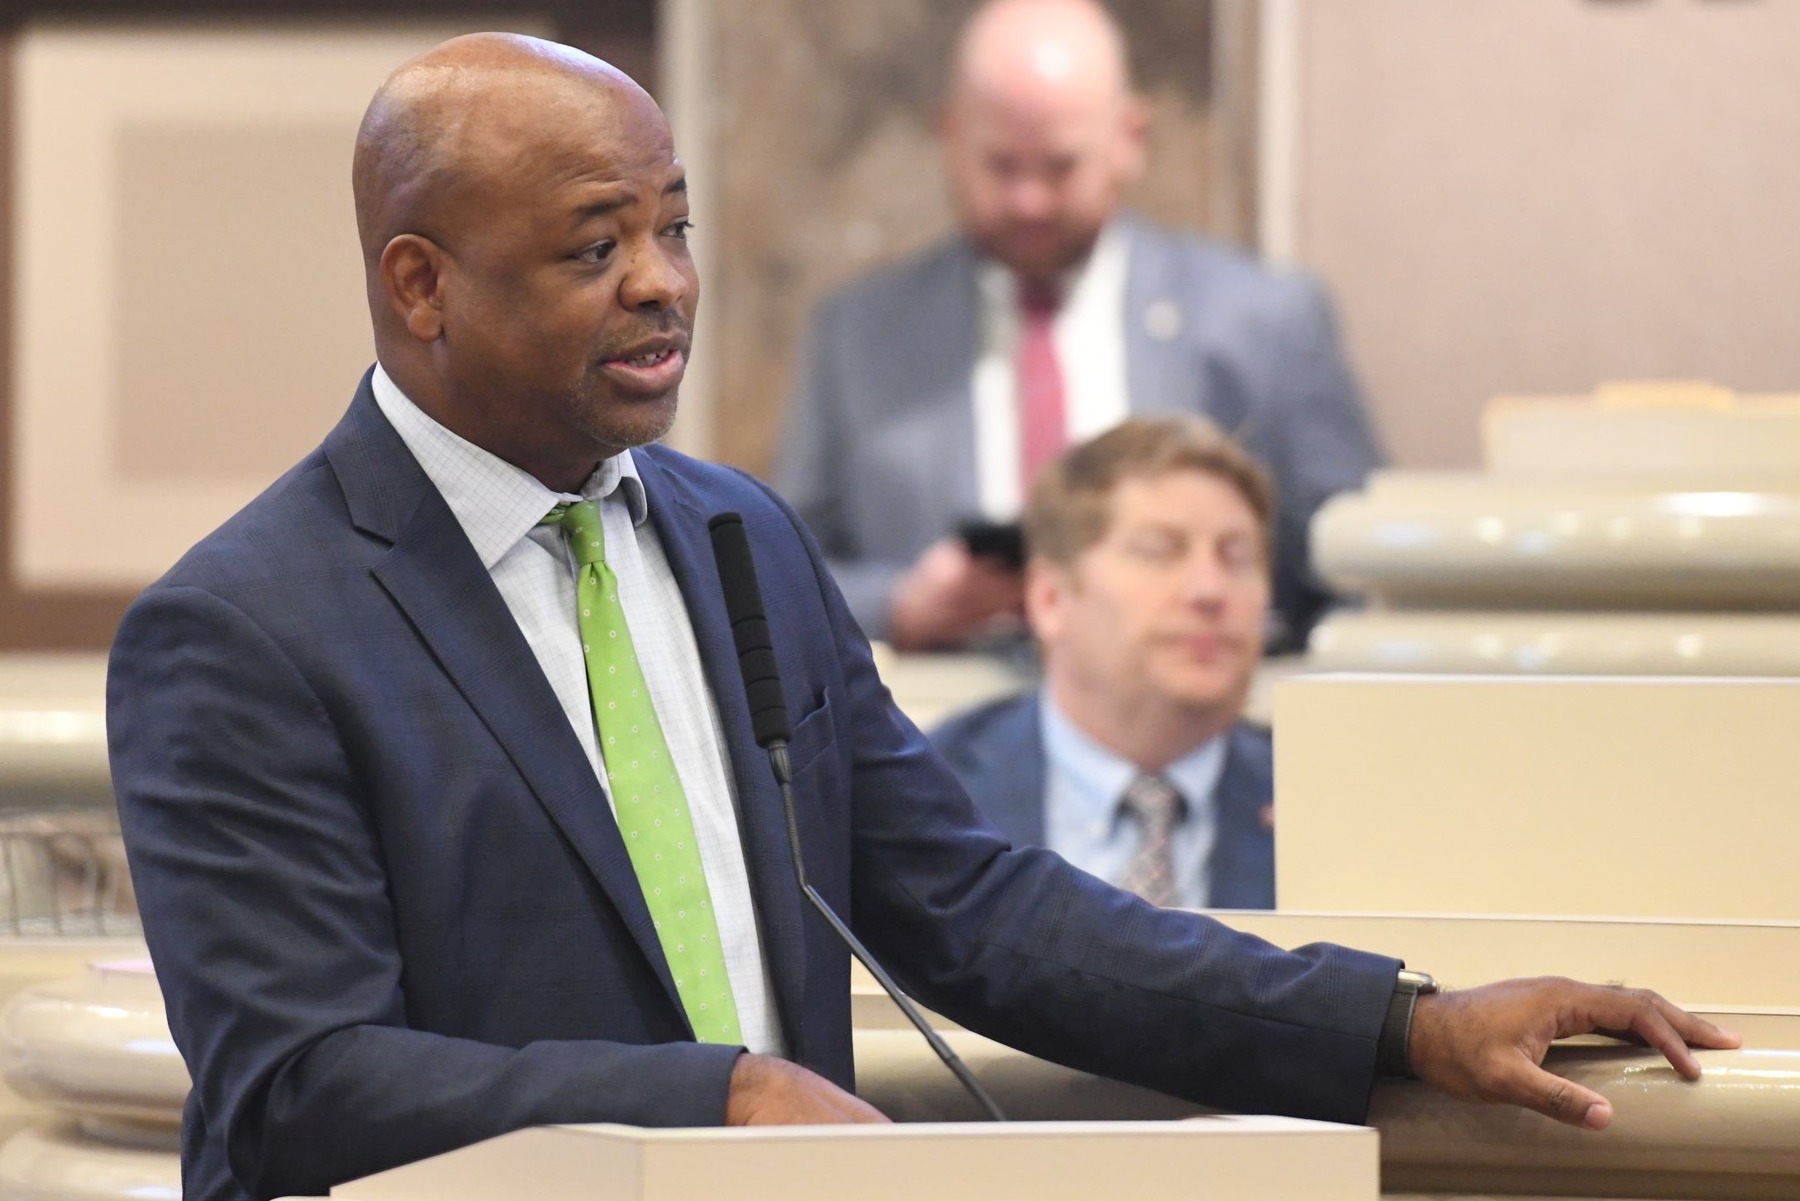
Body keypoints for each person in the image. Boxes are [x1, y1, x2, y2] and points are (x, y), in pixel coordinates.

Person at [106, 33, 1734, 1201]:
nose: (665, 281)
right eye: (595, 247)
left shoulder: (735, 536)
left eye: (672, 225)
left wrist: (1402, 1021)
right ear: (420, 284)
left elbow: (977, 910)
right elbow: (297, 1083)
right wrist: (714, 1104)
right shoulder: (245, 629)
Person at [775, 0, 1381, 653]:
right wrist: (900, 605)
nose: (1029, 199)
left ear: (1130, 139)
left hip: (1198, 724)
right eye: (1002, 166)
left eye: (1061, 166)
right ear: (948, 136)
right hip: (942, 728)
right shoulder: (859, 333)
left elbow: (1355, 564)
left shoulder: (1265, 321)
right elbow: (775, 571)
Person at [933, 416, 1278, 909]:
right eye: (1161, 551)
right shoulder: (932, 795)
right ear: (1050, 598)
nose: (1210, 590)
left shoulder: (1325, 805)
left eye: (1236, 556)